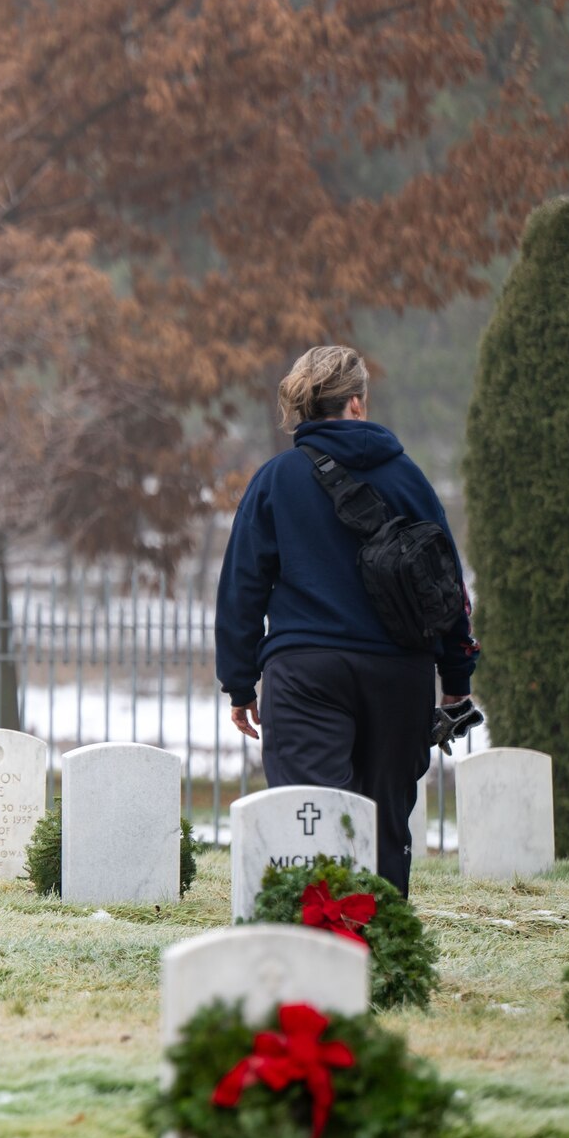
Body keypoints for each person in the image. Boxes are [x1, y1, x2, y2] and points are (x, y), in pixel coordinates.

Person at [214, 346, 479, 897]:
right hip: (399, 674)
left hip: (305, 673)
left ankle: (319, 954)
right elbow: (447, 587)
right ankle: (380, 954)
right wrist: (456, 684)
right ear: (357, 405)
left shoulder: (275, 480)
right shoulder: (410, 479)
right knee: (384, 829)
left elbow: (242, 586)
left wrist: (239, 682)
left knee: (311, 822)